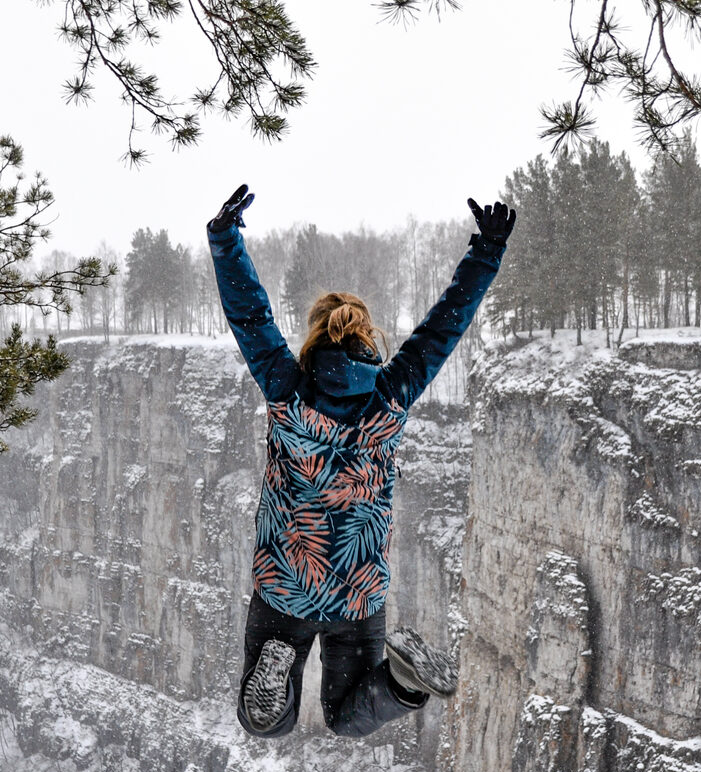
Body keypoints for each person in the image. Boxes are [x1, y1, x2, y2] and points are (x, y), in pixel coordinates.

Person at [207, 183, 515, 738]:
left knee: (265, 725)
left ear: (315, 336)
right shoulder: (391, 396)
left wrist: (225, 240)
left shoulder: (287, 388)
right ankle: (404, 684)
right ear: (368, 338)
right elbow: (443, 328)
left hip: (286, 588)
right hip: (358, 590)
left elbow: (249, 318)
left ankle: (275, 680)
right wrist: (485, 252)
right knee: (347, 716)